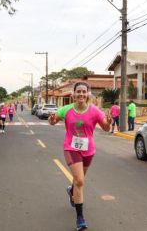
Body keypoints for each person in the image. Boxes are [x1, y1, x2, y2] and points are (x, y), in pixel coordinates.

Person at [48, 82, 112, 231]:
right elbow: (53, 121)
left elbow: (106, 128)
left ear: (88, 94)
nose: (81, 94)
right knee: (80, 181)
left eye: (84, 92)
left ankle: (71, 191)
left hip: (88, 150)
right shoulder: (66, 109)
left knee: (78, 181)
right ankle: (80, 218)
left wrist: (108, 122)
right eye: (79, 92)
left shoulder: (95, 111)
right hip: (71, 148)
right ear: (74, 94)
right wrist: (51, 119)